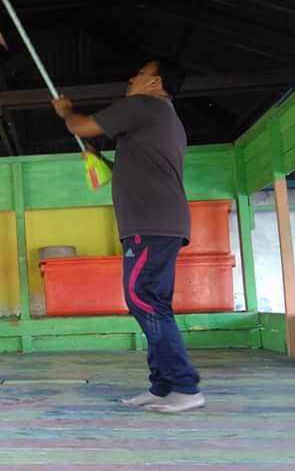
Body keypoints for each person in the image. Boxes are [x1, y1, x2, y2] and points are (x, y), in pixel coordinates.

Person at [52, 60, 205, 413]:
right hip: (157, 223)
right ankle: (163, 386)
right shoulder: (160, 117)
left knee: (144, 299)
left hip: (151, 223)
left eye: (139, 74)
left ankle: (184, 386)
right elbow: (128, 171)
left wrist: (66, 111)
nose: (131, 77)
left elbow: (82, 125)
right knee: (152, 303)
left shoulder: (146, 105)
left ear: (155, 83)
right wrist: (99, 158)